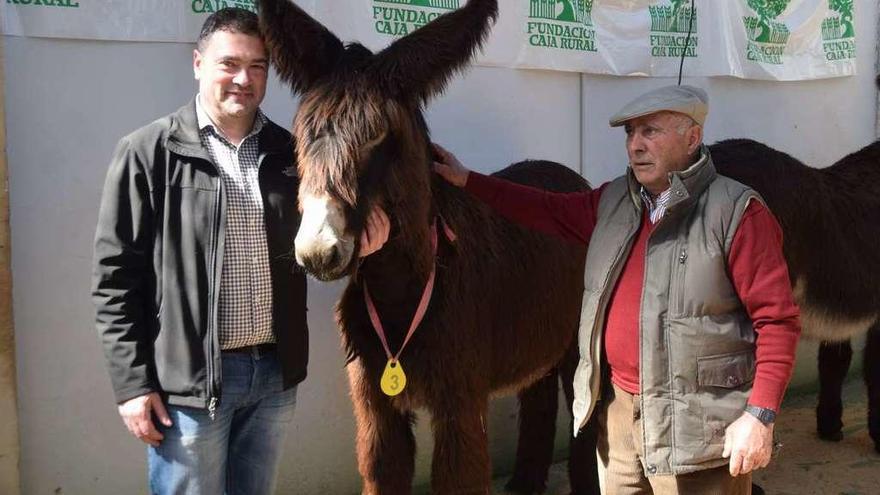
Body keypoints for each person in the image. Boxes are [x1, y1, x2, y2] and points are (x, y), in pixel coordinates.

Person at [433, 85, 801, 494]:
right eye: (630, 134)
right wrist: (468, 182)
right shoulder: (615, 202)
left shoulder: (736, 212)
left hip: (700, 422)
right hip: (620, 416)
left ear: (692, 137)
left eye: (650, 132)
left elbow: (777, 321)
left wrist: (759, 415)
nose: (635, 145)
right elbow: (546, 210)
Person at [91, 8, 388, 494]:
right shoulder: (148, 152)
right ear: (198, 64)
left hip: (273, 377)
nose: (243, 79)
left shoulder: (291, 155)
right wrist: (132, 386)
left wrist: (361, 252)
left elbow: (316, 253)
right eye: (229, 64)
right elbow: (114, 280)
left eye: (257, 66)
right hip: (190, 386)